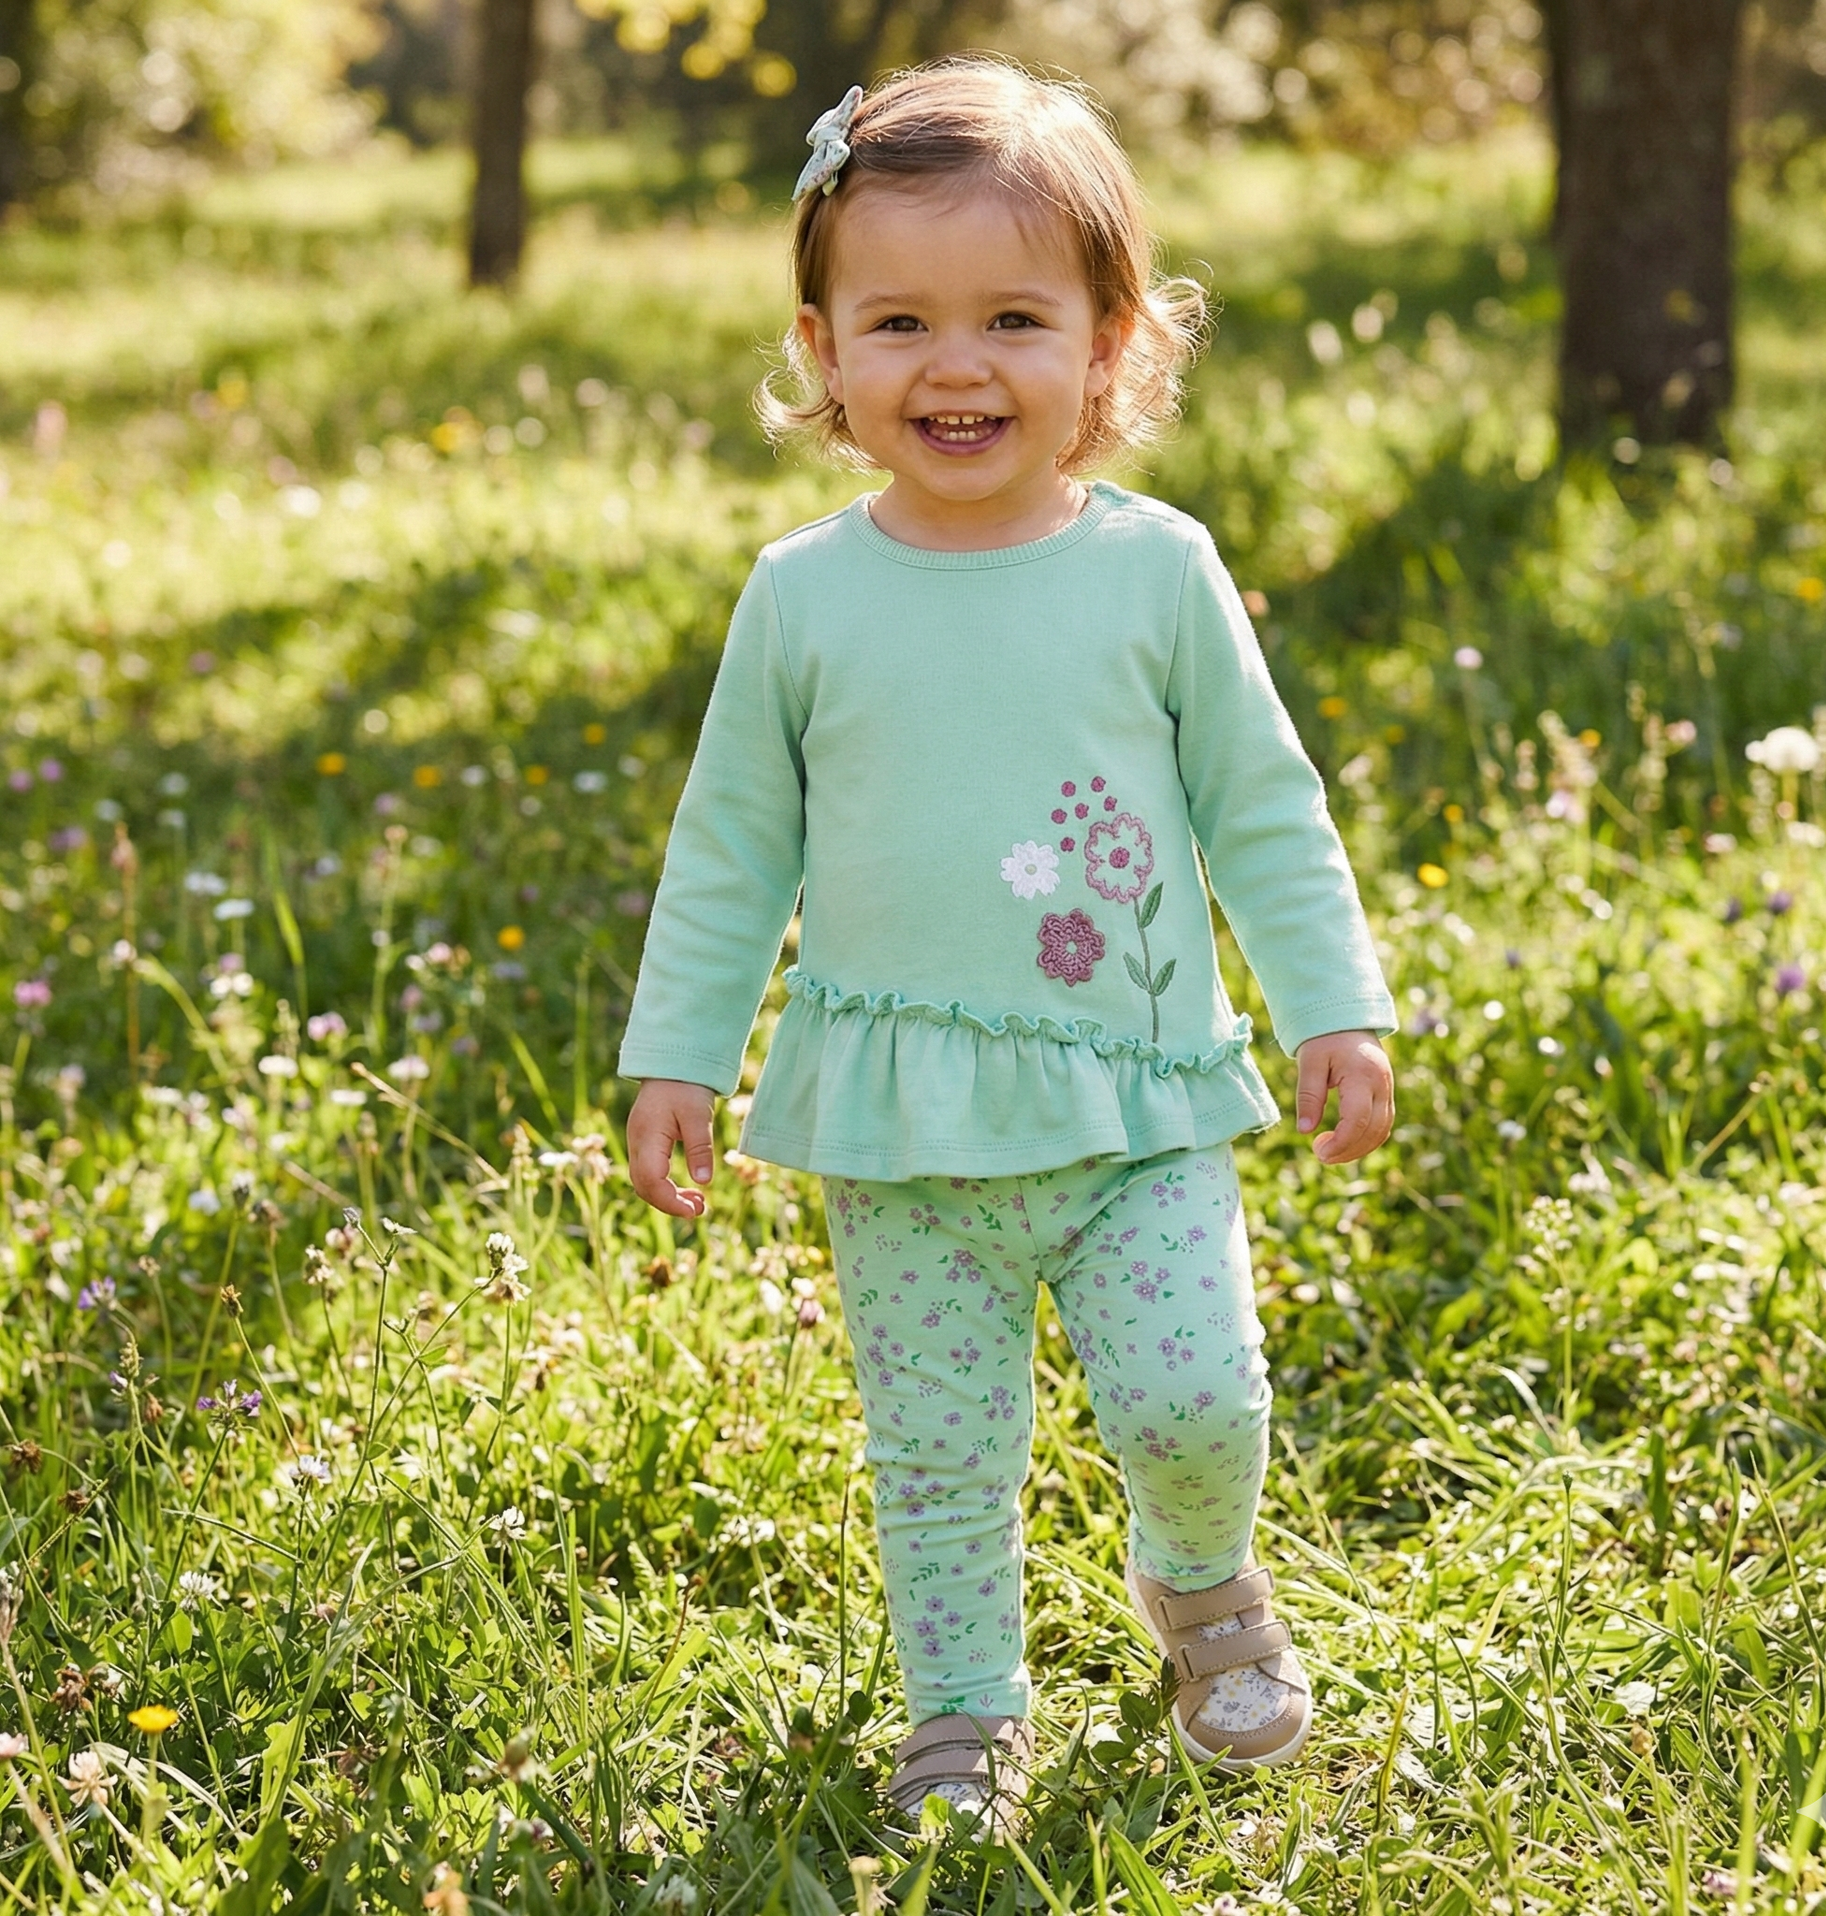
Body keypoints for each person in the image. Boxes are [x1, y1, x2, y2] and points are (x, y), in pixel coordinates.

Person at [620, 57, 1396, 1837]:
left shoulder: (1156, 569)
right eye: (895, 319)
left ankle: (1203, 1595)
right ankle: (963, 1715)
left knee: (1193, 1393)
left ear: (1112, 347)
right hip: (898, 1124)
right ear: (821, 350)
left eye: (1013, 319)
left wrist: (1330, 1002)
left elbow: (1260, 807)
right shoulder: (802, 595)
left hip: (1136, 1097)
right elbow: (732, 846)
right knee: (939, 1457)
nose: (953, 365)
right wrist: (680, 1049)